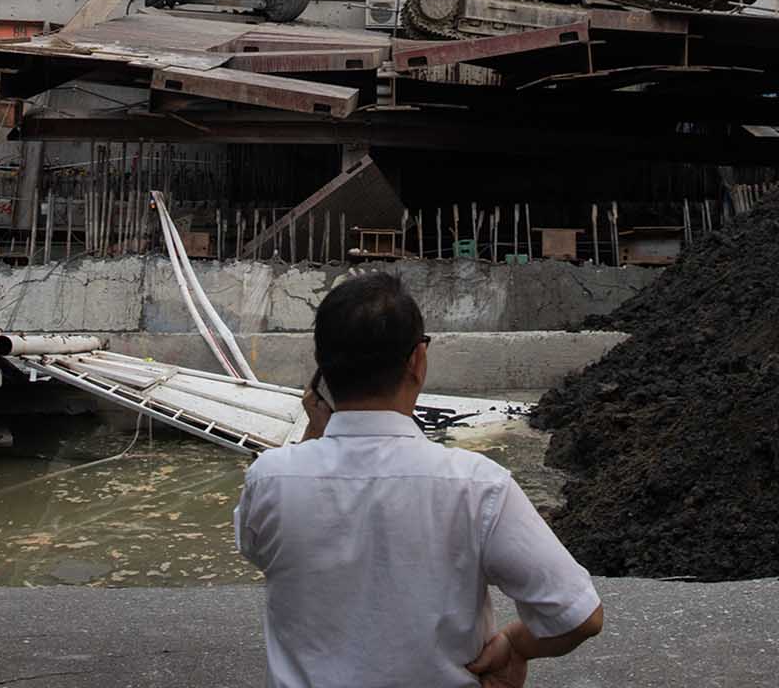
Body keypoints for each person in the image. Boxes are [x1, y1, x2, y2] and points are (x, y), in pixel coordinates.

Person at [234, 272, 604, 687]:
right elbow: (579, 615)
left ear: (322, 371)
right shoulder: (479, 486)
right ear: (417, 361)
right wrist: (515, 644)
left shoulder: (270, 478)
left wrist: (316, 432)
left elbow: (261, 550)